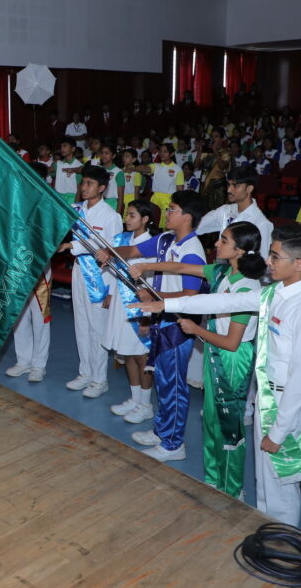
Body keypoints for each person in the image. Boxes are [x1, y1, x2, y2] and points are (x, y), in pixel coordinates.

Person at [132, 224, 301, 526]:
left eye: (276, 257)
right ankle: (266, 530)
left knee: (281, 486)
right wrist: (166, 304)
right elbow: (223, 302)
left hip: (284, 406)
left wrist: (278, 431)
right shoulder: (274, 292)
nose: (268, 262)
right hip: (266, 399)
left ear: (298, 264)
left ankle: (283, 538)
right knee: (265, 481)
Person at [131, 222, 265, 497]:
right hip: (215, 351)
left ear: (240, 250)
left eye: (224, 240)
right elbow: (180, 268)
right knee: (212, 420)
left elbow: (232, 342)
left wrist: (197, 330)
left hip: (232, 358)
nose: (216, 244)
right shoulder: (221, 271)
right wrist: (146, 267)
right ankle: (215, 479)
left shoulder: (247, 289)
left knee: (229, 425)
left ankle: (233, 489)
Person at [100, 190, 207, 461]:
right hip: (162, 319)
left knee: (174, 386)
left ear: (187, 216)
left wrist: (155, 298)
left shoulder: (192, 251)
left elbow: (191, 297)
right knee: (162, 381)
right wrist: (111, 253)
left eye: (172, 209)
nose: (167, 213)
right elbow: (133, 250)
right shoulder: (166, 239)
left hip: (178, 326)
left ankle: (173, 445)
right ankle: (162, 431)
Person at [59, 166, 123, 398]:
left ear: (102, 188)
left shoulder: (111, 216)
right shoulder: (76, 210)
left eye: (89, 184)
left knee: (97, 328)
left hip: (100, 276)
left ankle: (99, 379)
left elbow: (114, 253)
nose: (84, 187)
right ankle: (84, 372)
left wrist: (112, 291)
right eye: (83, 183)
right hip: (79, 271)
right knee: (81, 325)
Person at [101, 200, 158, 424]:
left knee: (140, 355)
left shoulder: (149, 245)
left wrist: (146, 319)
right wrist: (111, 295)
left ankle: (146, 404)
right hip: (121, 306)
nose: (127, 219)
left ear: (145, 220)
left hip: (138, 307)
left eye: (132, 215)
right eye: (127, 214)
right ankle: (135, 399)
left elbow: (151, 284)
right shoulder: (124, 240)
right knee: (127, 354)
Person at [5, 161, 55, 383]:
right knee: (19, 314)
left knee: (40, 315)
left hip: (40, 266)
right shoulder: (17, 200)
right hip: (17, 263)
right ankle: (23, 360)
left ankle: (39, 364)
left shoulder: (49, 203)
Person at [198, 167, 273, 260]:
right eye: (229, 185)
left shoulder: (261, 223)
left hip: (243, 273)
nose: (229, 190)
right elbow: (197, 226)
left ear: (249, 189)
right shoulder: (225, 211)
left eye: (235, 185)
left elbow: (261, 262)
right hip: (222, 270)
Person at [51, 139, 82, 204]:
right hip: (58, 198)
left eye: (64, 146)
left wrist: (76, 204)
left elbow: (78, 188)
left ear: (73, 149)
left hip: (71, 199)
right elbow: (53, 178)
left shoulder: (78, 165)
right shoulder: (58, 164)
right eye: (61, 146)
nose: (62, 148)